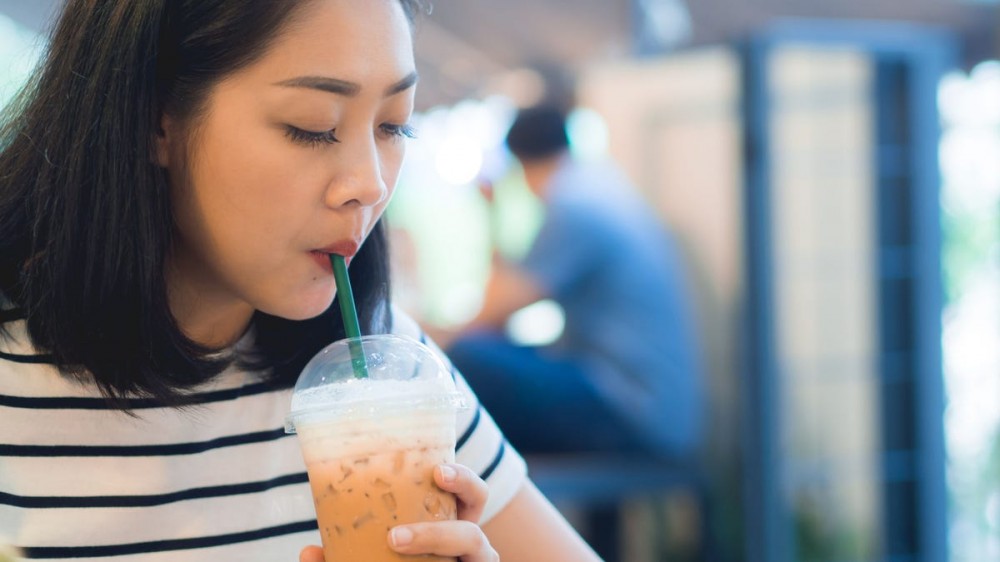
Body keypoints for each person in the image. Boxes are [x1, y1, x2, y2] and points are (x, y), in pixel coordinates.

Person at [0, 1, 601, 560]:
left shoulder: (388, 380)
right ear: (157, 118)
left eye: (394, 126)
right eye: (312, 126)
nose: (370, 184)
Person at [444, 105, 704, 460]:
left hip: (633, 406)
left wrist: (491, 213)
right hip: (656, 404)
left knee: (468, 357)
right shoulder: (599, 187)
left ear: (519, 164)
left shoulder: (574, 206)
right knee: (497, 357)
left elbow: (490, 316)